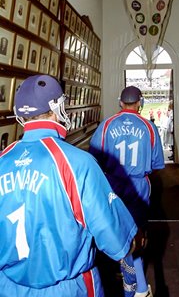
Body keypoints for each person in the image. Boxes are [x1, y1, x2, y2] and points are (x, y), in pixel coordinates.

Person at [0, 74, 138, 297]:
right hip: (68, 288)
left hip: (7, 286)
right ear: (57, 108)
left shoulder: (2, 161)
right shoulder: (77, 163)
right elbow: (118, 239)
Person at [89, 86, 165, 297]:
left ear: (121, 102)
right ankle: (135, 284)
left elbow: (94, 158)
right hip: (139, 186)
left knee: (117, 232)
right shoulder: (149, 127)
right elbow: (156, 164)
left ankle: (132, 281)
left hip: (113, 184)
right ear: (139, 103)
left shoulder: (106, 125)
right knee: (137, 236)